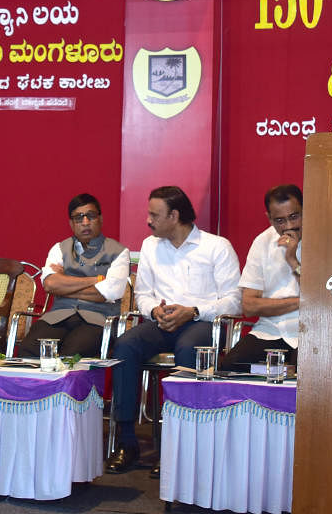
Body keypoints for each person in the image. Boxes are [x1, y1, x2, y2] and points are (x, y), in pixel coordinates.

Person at [105, 186, 241, 475]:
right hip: (162, 323)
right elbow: (142, 295)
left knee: (188, 349)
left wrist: (192, 311)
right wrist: (155, 310)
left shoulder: (216, 246)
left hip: (200, 323)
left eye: (155, 214)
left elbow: (233, 300)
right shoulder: (151, 246)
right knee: (125, 345)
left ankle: (176, 447)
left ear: (175, 215)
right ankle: (127, 442)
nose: (148, 220)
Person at [15, 193, 130, 358]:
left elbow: (110, 293)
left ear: (100, 219)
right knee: (29, 349)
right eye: (78, 218)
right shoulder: (59, 249)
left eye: (90, 216)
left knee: (71, 354)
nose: (85, 222)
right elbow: (50, 285)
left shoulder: (119, 252)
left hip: (98, 320)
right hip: (58, 317)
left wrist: (64, 285)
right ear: (71, 223)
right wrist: (95, 280)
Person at [219, 184, 302, 371]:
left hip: (308, 331)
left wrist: (292, 260)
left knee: (306, 374)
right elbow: (249, 306)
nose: (289, 226)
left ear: (306, 210)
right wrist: (301, 302)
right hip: (270, 330)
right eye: (280, 220)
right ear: (269, 219)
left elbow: (321, 302)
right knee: (230, 367)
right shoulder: (262, 242)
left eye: (294, 216)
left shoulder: (324, 239)